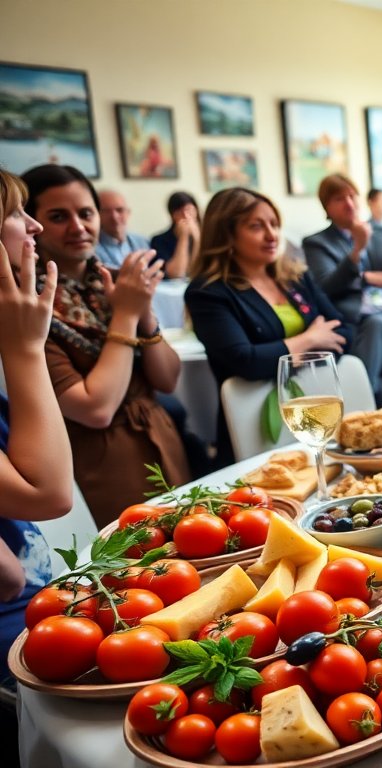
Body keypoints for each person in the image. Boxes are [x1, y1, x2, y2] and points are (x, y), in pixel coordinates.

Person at [21, 165, 188, 527]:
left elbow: (168, 379)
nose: (78, 227)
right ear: (32, 224)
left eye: (85, 213)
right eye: (58, 217)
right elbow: (94, 408)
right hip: (100, 463)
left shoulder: (114, 280)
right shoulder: (27, 304)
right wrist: (126, 315)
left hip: (160, 440)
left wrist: (144, 315)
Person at [185, 188, 352, 464]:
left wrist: (278, 359)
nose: (271, 234)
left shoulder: (296, 277)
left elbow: (344, 334)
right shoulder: (208, 292)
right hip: (251, 425)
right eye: (256, 226)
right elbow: (245, 362)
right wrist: (309, 340)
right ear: (226, 234)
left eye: (274, 224)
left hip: (317, 414)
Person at [0, 169, 74, 685]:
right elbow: (50, 495)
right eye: (13, 212)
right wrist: (26, 349)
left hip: (45, 599)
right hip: (19, 638)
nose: (33, 226)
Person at [302, 174, 382, 407]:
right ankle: (360, 406)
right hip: (359, 329)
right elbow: (326, 286)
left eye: (352, 196)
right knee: (377, 324)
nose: (349, 203)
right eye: (339, 198)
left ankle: (365, 401)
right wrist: (357, 251)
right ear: (327, 207)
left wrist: (362, 277)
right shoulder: (317, 242)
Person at [93, 188, 151, 268]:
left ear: (128, 213)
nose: (114, 217)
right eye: (106, 211)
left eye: (119, 210)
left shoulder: (143, 242)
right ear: (97, 215)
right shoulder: (92, 248)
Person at [147, 191, 199, 278]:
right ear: (172, 215)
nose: (186, 216)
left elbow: (200, 270)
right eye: (180, 212)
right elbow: (176, 274)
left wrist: (197, 238)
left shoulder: (208, 235)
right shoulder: (159, 240)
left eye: (189, 210)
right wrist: (183, 238)